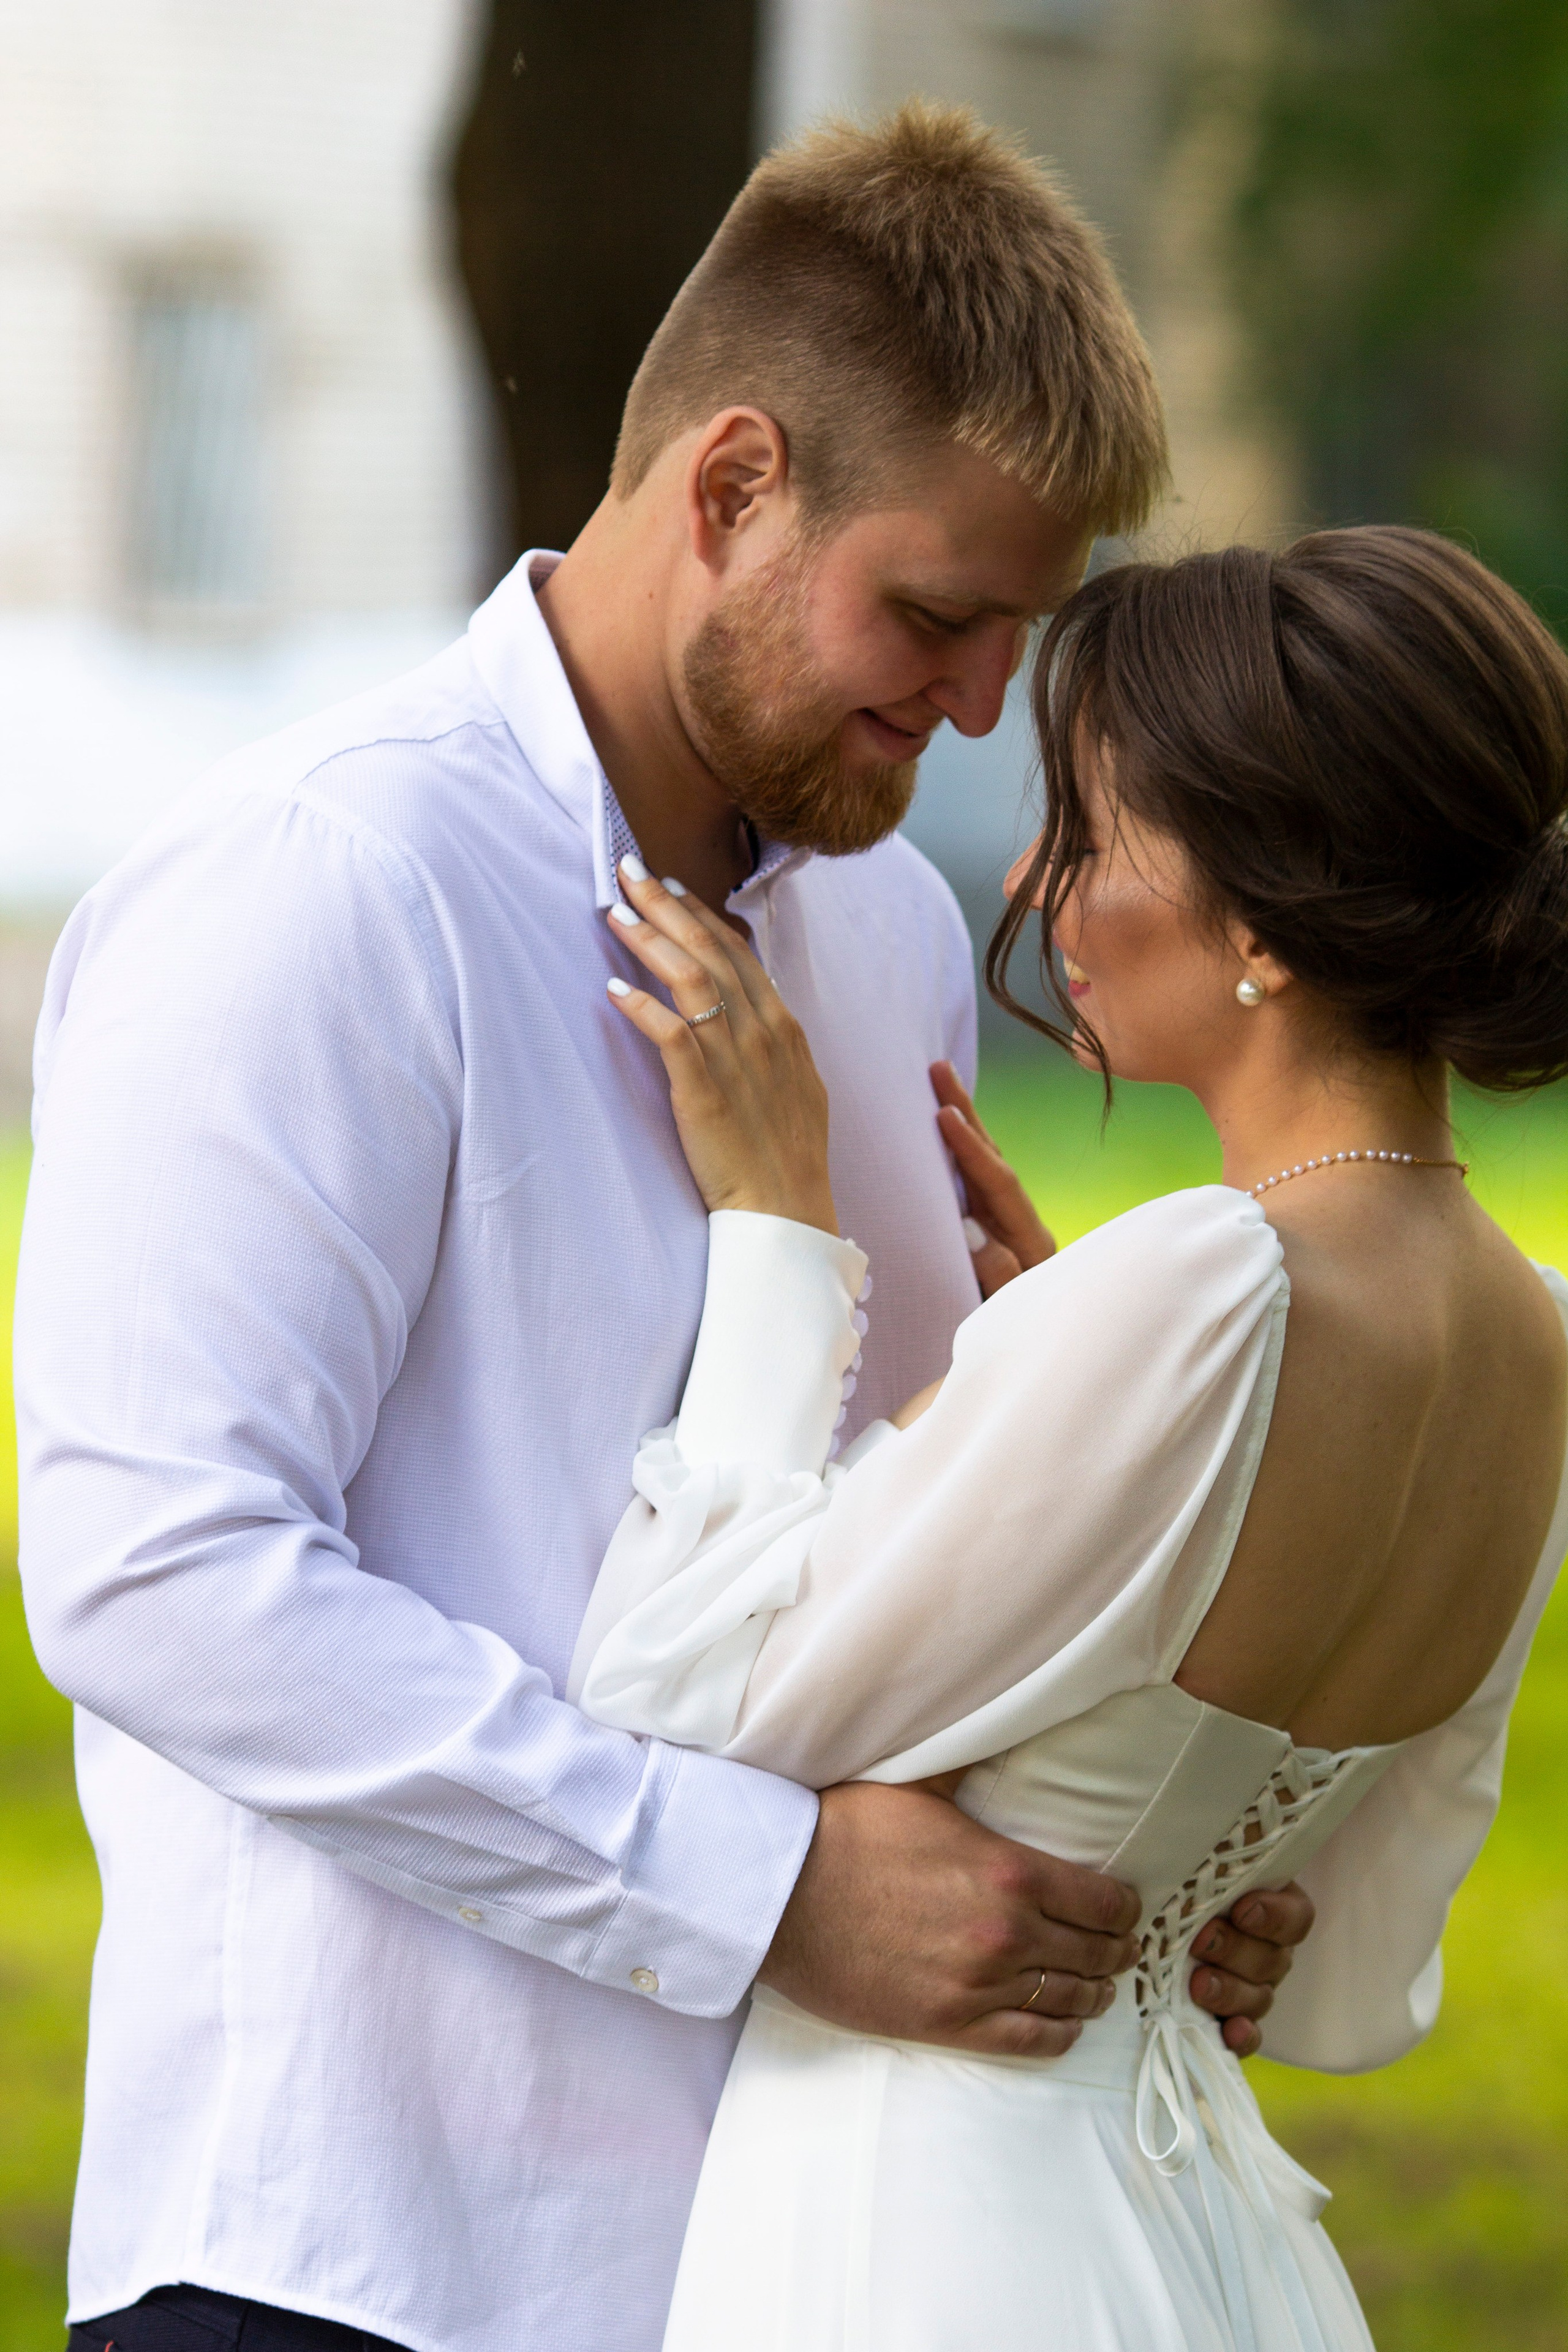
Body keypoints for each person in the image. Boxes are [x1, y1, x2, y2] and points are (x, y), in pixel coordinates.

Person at [14, 104, 1310, 2352]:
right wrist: (762, 1891)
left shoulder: (885, 933)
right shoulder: (320, 889)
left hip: (814, 2253)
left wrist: (1163, 1868)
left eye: (1022, 630)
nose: (987, 702)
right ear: (729, 487)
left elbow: (892, 1589)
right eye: (933, 611)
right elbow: (157, 1570)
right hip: (359, 2258)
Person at [572, 524, 1568, 2350]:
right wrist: (1051, 1367)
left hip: (929, 2232)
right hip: (1217, 2255)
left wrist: (784, 1239)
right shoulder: (1538, 1336)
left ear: (1265, 907)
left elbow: (662, 1684)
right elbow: (1341, 1985)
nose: (1034, 874)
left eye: (1091, 830)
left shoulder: (1204, 1290)